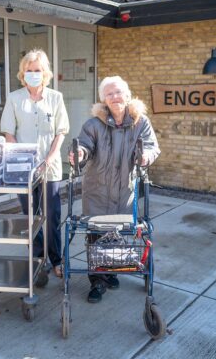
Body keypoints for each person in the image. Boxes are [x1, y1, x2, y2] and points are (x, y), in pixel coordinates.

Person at [69, 75, 160, 303]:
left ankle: (110, 272)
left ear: (127, 95)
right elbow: (85, 146)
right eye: (109, 94)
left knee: (118, 234)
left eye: (118, 92)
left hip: (124, 191)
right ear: (103, 100)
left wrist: (147, 156)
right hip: (97, 190)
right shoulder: (93, 124)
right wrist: (79, 153)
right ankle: (98, 281)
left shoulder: (141, 122)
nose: (114, 97)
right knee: (96, 236)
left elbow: (150, 146)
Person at [0, 49, 69, 278]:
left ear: (45, 72)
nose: (33, 74)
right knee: (31, 216)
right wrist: (24, 159)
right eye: (29, 70)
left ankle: (57, 259)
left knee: (52, 215)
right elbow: (9, 133)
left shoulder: (56, 98)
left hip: (50, 167)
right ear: (22, 73)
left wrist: (48, 158)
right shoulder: (14, 98)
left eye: (37, 70)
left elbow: (61, 131)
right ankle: (38, 261)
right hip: (24, 169)